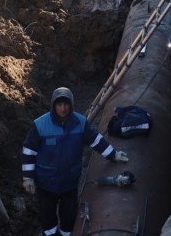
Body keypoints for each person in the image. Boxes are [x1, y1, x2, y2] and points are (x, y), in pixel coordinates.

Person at [22, 87, 129, 236]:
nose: (63, 108)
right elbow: (29, 151)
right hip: (46, 183)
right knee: (47, 217)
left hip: (69, 182)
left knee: (69, 217)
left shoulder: (80, 122)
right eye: (59, 105)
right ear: (53, 105)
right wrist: (28, 177)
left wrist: (113, 154)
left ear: (71, 104)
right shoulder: (40, 125)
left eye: (66, 104)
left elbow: (95, 140)